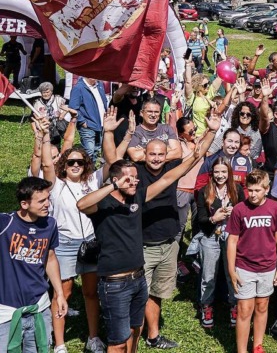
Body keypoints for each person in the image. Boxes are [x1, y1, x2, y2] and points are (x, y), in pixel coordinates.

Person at [77, 134, 210, 353]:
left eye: (136, 178)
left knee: (134, 331)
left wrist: (195, 157)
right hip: (115, 283)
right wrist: (112, 186)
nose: (134, 182)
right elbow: (81, 204)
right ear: (116, 179)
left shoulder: (137, 198)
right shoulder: (103, 204)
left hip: (138, 279)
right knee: (117, 341)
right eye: (129, 178)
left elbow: (168, 179)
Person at [35, 113, 119, 353]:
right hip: (65, 244)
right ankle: (59, 343)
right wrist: (44, 136)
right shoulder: (56, 184)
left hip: (90, 243)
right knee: (64, 292)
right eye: (70, 162)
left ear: (86, 165)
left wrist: (109, 132)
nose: (74, 166)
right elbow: (46, 164)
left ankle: (93, 337)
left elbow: (112, 164)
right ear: (64, 164)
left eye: (79, 162)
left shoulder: (92, 181)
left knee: (91, 293)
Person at [0, 176, 67, 353]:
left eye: (48, 199)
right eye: (42, 201)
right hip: (6, 312)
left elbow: (50, 258)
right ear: (24, 204)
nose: (48, 205)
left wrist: (59, 294)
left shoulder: (50, 224)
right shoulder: (5, 223)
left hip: (39, 307)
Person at [226, 170, 277, 353]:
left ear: (267, 190)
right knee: (245, 309)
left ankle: (257, 346)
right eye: (250, 190)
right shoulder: (239, 210)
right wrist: (231, 269)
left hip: (268, 267)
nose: (252, 194)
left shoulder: (274, 209)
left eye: (257, 190)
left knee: (262, 306)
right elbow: (232, 241)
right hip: (244, 267)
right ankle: (242, 350)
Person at [195, 157, 244, 330]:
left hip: (231, 237)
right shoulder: (205, 191)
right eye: (217, 172)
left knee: (232, 273)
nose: (220, 175)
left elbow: (245, 214)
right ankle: (206, 307)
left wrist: (235, 213)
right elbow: (200, 219)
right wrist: (213, 218)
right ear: (212, 173)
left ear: (229, 173)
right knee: (208, 275)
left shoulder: (236, 189)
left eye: (224, 172)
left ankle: (235, 306)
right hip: (211, 236)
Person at [69, 77, 109, 164]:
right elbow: (73, 107)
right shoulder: (78, 88)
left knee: (97, 151)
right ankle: (85, 173)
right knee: (89, 152)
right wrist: (82, 122)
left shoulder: (99, 85)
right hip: (88, 125)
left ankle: (92, 172)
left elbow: (104, 101)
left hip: (101, 125)